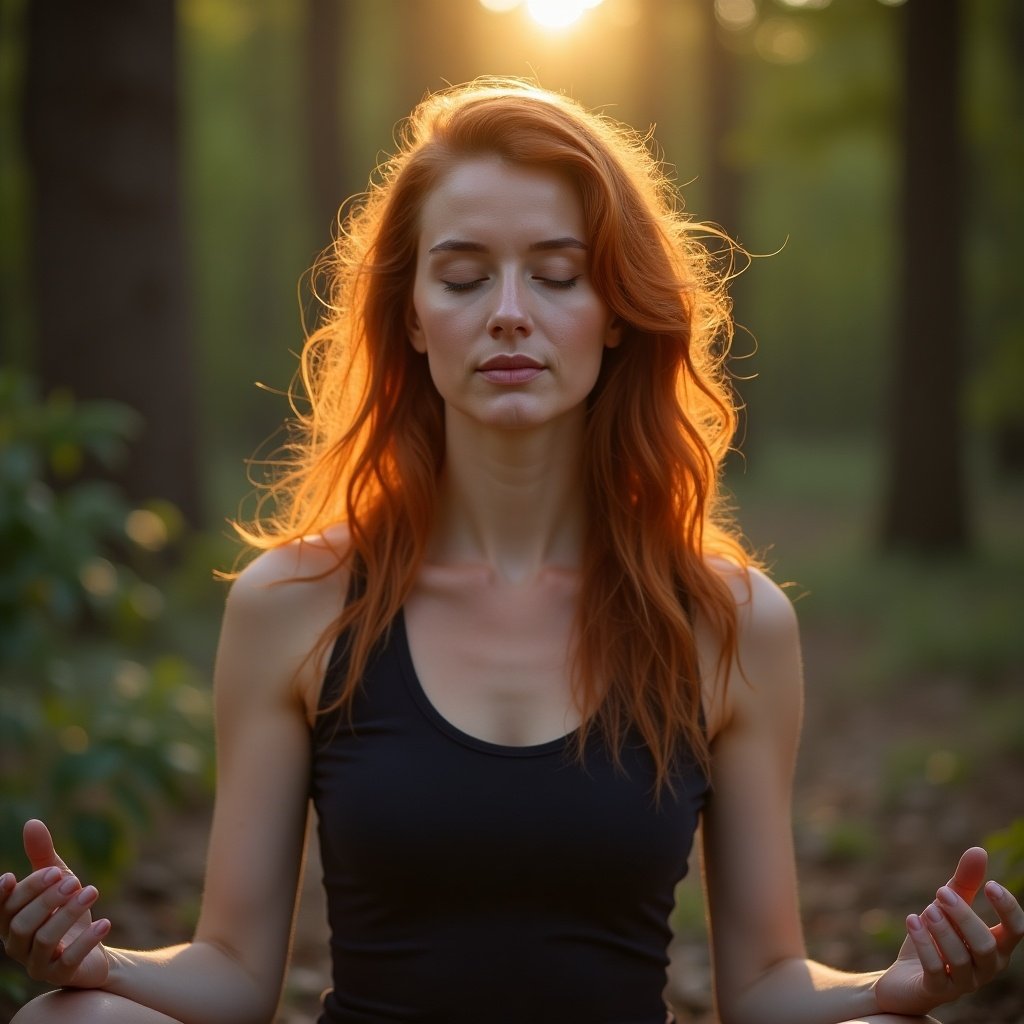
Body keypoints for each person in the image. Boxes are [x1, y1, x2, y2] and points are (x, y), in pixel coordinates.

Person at [1, 79, 1020, 1024]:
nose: (507, 314)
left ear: (614, 311)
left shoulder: (730, 620)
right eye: (462, 276)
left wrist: (890, 986)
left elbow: (761, 984)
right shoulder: (295, 603)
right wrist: (97, 966)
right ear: (410, 315)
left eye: (557, 274)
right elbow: (230, 969)